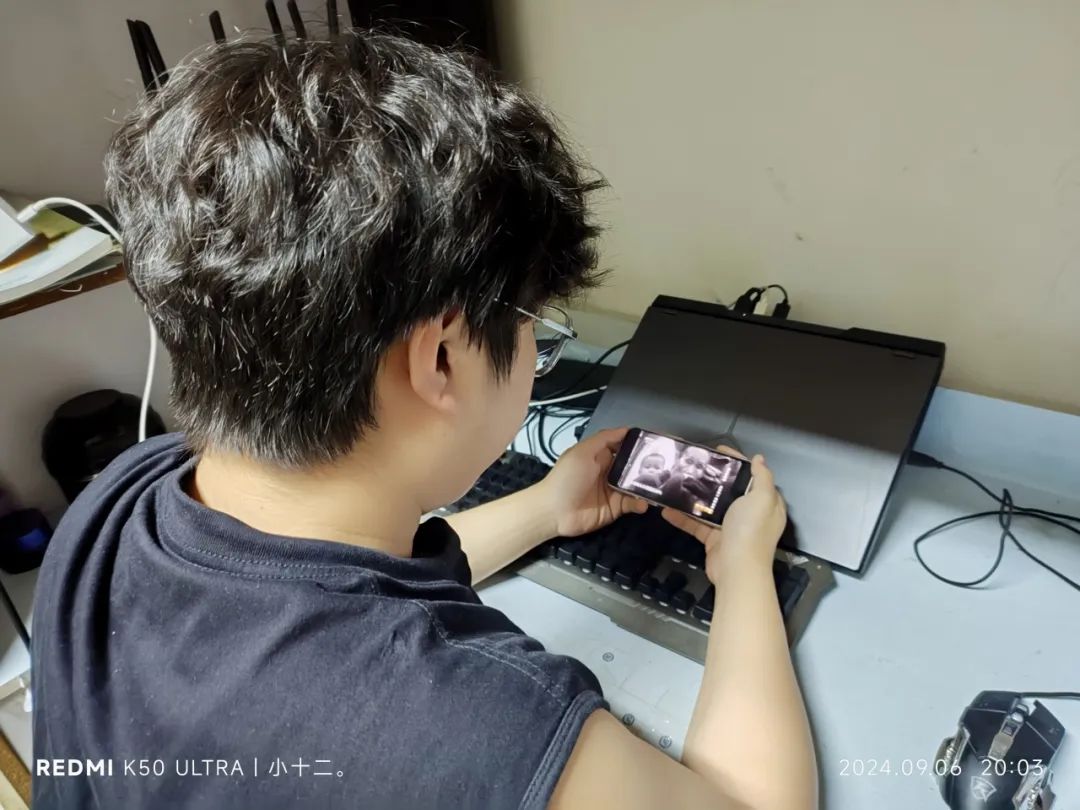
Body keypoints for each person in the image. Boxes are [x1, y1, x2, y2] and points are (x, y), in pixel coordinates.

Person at [31, 30, 817, 810]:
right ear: (441, 359)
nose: (534, 350)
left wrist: (547, 508)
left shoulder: (119, 499)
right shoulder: (485, 729)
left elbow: (334, 582)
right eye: (534, 329)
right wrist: (743, 566)